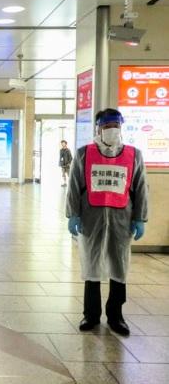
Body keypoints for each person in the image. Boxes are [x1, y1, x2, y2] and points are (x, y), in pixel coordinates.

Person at [66, 108, 148, 336]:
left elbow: (141, 188)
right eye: (107, 126)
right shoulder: (84, 153)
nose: (112, 131)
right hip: (91, 220)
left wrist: (140, 218)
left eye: (116, 126)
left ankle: (116, 316)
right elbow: (73, 186)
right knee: (91, 266)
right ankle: (90, 315)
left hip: (121, 220)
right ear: (98, 128)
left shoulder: (134, 155)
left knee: (119, 266)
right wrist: (73, 213)